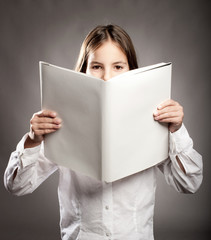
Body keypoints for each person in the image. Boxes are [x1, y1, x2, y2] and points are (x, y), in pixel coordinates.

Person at [4, 24, 203, 240]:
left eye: (118, 66)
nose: (107, 77)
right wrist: (33, 141)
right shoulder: (61, 121)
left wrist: (176, 131)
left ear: (131, 70)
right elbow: (17, 186)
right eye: (97, 66)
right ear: (84, 70)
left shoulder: (152, 121)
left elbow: (190, 184)